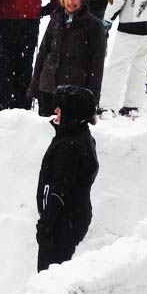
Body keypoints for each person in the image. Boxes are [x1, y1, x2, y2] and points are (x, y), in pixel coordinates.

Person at [35, 84, 100, 272]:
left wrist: (47, 225)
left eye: (59, 110)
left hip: (62, 223)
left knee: (49, 276)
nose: (55, 113)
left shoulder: (70, 147)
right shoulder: (77, 135)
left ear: (72, 115)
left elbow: (61, 191)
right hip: (69, 218)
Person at [29, 0, 108, 116]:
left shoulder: (93, 25)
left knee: (71, 134)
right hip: (48, 88)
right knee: (45, 132)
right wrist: (34, 87)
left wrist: (93, 98)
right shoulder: (55, 20)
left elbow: (97, 64)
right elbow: (43, 54)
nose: (70, 2)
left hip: (75, 91)